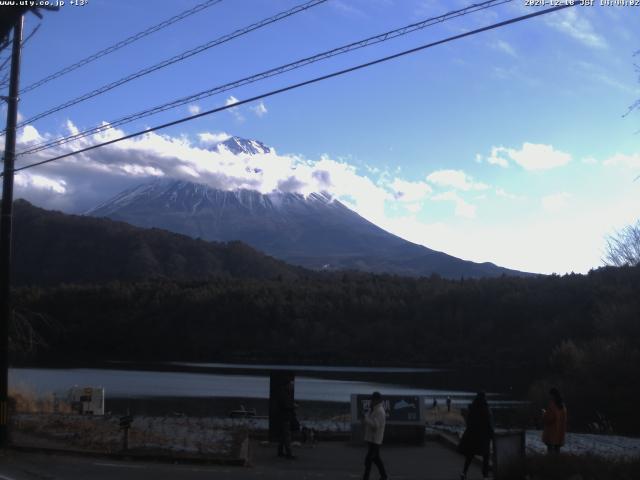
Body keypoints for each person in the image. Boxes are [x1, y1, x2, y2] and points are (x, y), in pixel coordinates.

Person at [458, 391, 493, 480]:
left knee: (469, 456)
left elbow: (468, 422)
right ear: (484, 397)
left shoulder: (472, 408)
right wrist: (492, 434)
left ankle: (464, 472)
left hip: (472, 436)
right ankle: (485, 475)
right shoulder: (485, 408)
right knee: (486, 456)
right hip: (482, 437)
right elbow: (488, 423)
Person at [362, 391, 388, 480]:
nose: (371, 401)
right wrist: (366, 417)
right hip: (371, 439)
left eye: (372, 399)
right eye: (371, 399)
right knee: (376, 459)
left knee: (368, 460)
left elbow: (376, 426)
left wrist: (366, 419)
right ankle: (384, 476)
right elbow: (370, 421)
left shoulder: (380, 411)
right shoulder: (373, 409)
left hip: (375, 440)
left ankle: (366, 477)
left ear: (377, 400)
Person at [542, 387, 567, 454]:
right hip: (559, 433)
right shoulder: (562, 406)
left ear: (552, 395)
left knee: (550, 452)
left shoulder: (552, 405)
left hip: (551, 433)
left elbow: (549, 419)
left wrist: (544, 414)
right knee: (557, 451)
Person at [276, 379, 297, 459]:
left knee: (282, 435)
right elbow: (286, 405)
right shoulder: (284, 394)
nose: (292, 386)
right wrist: (293, 406)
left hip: (283, 416)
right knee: (287, 435)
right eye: (290, 385)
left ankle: (280, 451)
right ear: (287, 385)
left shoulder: (284, 393)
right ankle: (289, 453)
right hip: (285, 417)